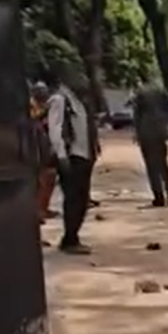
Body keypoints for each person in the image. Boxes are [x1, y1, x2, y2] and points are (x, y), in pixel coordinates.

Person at [46, 69, 100, 255]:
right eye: (80, 77)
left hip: (84, 155)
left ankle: (72, 236)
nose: (85, 81)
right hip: (72, 156)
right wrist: (62, 157)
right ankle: (70, 240)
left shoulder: (78, 101)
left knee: (82, 199)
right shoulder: (60, 100)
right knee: (73, 199)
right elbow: (55, 130)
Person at [131, 82, 168, 207]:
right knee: (163, 164)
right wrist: (166, 122)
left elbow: (137, 115)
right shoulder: (161, 90)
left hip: (146, 131)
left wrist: (137, 133)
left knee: (151, 167)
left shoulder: (140, 92)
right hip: (160, 130)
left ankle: (159, 197)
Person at [30, 81, 59, 223]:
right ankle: (38, 211)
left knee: (48, 179)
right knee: (41, 182)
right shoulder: (31, 107)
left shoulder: (44, 107)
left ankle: (43, 208)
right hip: (35, 150)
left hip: (44, 148)